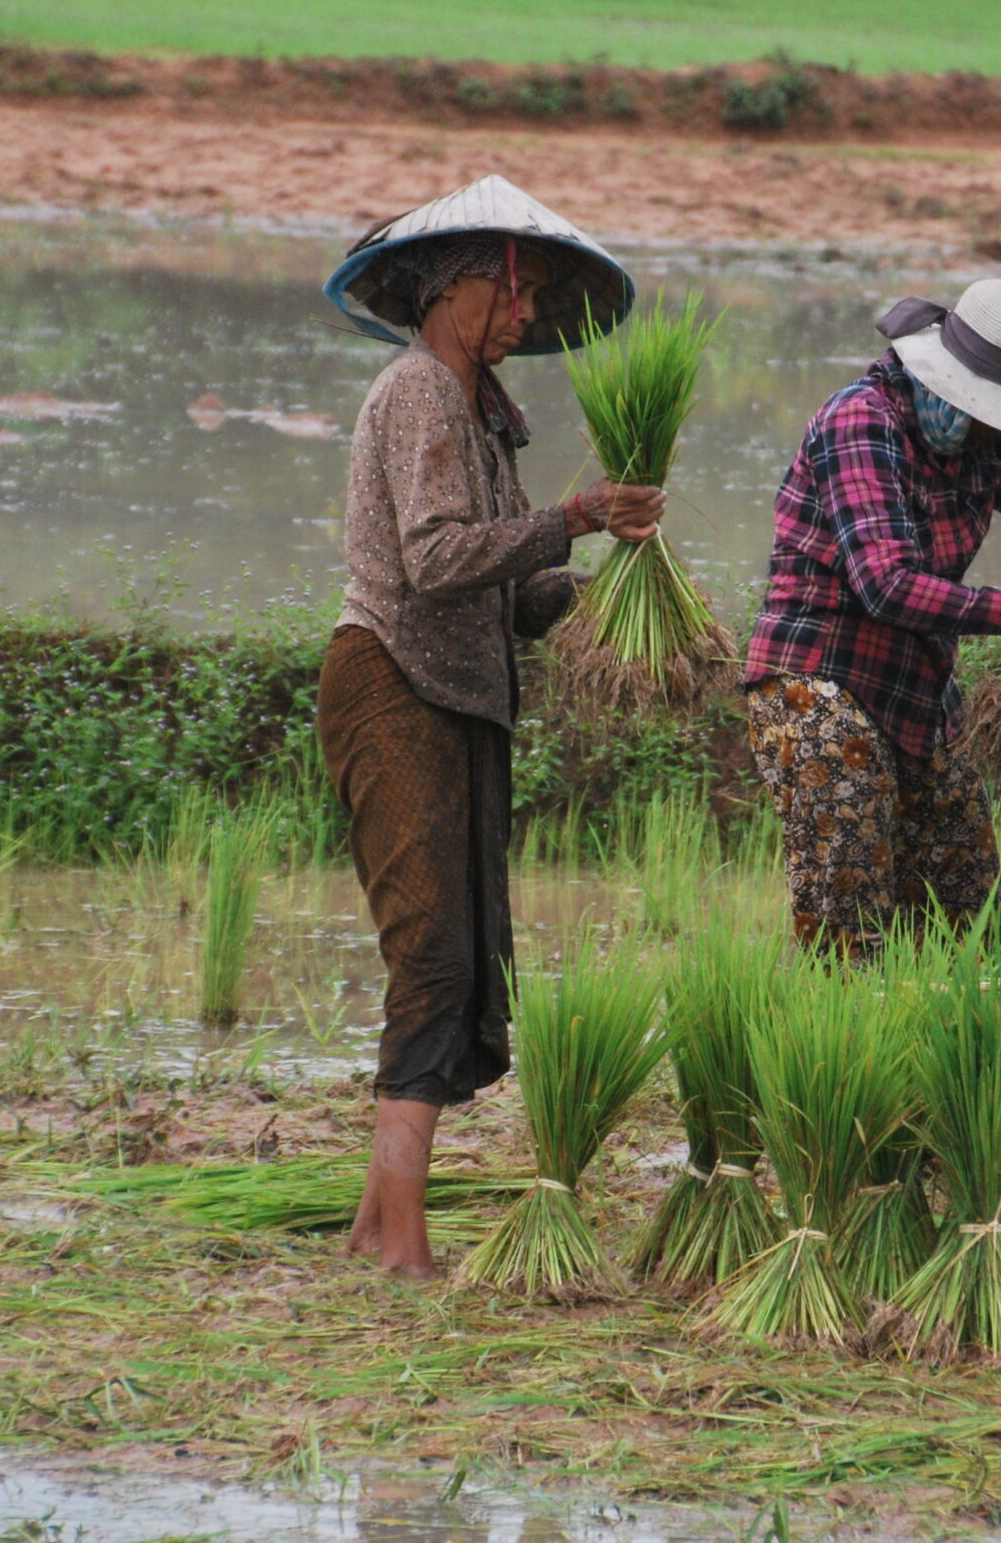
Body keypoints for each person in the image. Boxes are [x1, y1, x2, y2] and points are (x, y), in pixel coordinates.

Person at [316, 177, 661, 1279]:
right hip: (393, 681)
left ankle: (374, 1229)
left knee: (459, 969)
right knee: (429, 958)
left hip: (460, 694)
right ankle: (407, 1250)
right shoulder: (419, 390)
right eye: (518, 296)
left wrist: (610, 591)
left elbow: (508, 598)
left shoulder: (483, 416)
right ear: (462, 285)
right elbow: (432, 559)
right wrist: (566, 518)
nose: (526, 318)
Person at [744, 279, 1001, 953]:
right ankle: (838, 1052)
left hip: (917, 689)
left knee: (969, 922)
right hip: (817, 680)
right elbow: (888, 587)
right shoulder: (861, 422)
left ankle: (960, 1047)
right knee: (850, 921)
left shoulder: (984, 441)